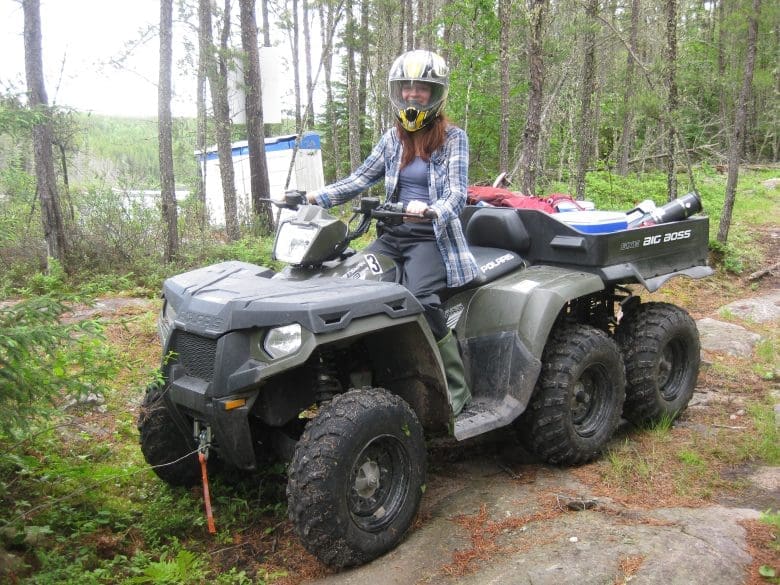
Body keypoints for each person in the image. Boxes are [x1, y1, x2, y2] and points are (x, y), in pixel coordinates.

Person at [306, 49, 478, 416]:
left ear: (435, 94)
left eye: (422, 88)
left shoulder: (453, 139)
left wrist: (432, 209)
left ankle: (456, 390)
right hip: (392, 234)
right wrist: (313, 196)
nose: (413, 94)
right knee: (349, 286)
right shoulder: (392, 138)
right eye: (407, 88)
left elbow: (457, 193)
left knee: (420, 299)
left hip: (431, 237)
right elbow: (359, 178)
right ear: (397, 92)